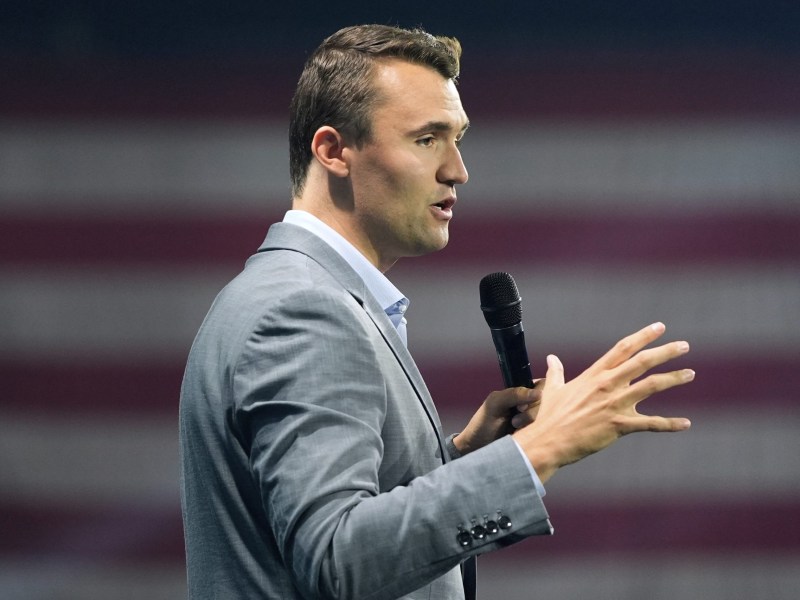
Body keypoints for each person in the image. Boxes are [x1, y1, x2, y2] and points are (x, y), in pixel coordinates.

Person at [178, 24, 694, 600]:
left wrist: (462, 459)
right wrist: (539, 449)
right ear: (332, 151)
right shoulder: (304, 311)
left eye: (457, 138)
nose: (457, 170)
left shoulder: (294, 293)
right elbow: (335, 557)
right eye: (427, 139)